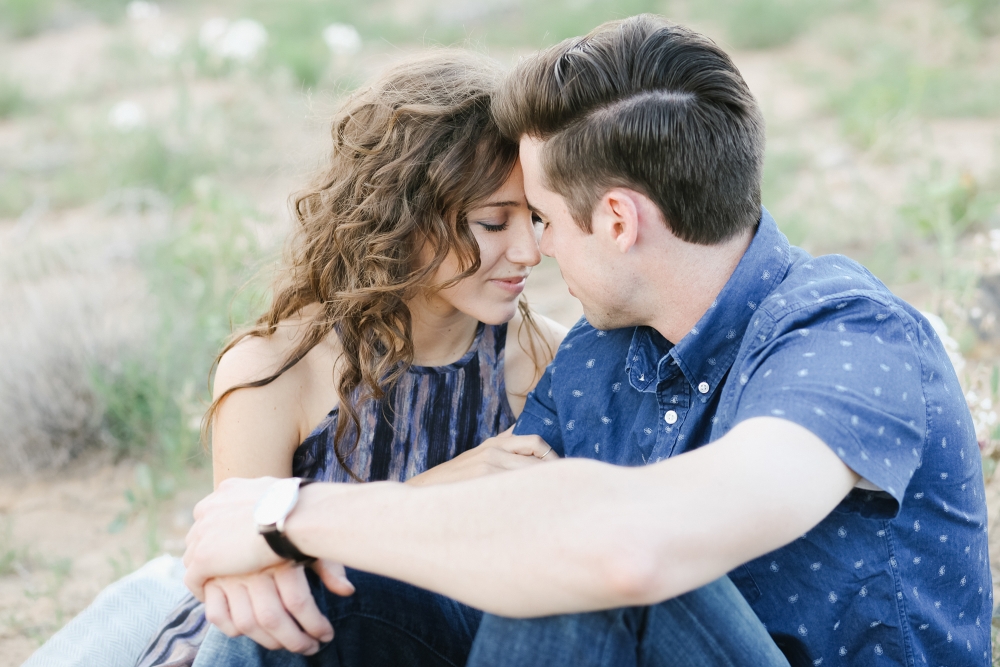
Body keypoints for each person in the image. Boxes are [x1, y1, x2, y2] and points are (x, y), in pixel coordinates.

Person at [182, 15, 992, 667]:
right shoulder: (603, 352)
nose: (535, 253)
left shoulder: (848, 339)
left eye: (541, 217)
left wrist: (297, 508)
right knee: (319, 608)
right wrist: (279, 560)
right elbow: (490, 533)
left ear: (615, 219)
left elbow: (626, 549)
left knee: (584, 574)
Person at [133, 48, 565, 667]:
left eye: (539, 217)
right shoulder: (275, 372)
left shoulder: (538, 357)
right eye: (493, 223)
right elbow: (247, 566)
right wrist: (437, 491)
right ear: (401, 215)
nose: (530, 251)